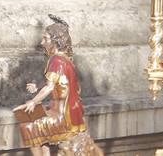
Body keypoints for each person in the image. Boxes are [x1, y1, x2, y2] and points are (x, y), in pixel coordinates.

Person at [14, 15, 102, 156]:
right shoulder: (63, 59)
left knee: (28, 122)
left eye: (46, 39)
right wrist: (38, 87)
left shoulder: (56, 60)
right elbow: (56, 82)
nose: (42, 43)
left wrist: (33, 101)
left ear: (56, 41)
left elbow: (49, 87)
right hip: (71, 111)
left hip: (65, 116)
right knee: (34, 120)